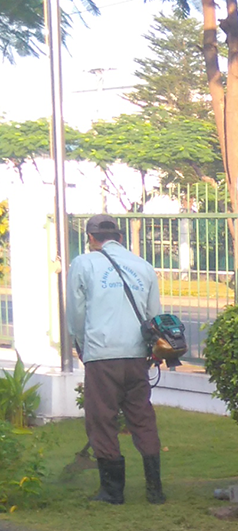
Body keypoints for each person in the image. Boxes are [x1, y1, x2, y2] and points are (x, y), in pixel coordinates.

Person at [68, 213, 166, 504]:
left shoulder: (84, 263)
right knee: (142, 417)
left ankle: (112, 491)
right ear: (120, 237)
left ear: (91, 238)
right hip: (137, 355)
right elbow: (154, 315)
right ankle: (154, 489)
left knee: (102, 419)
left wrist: (83, 346)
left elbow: (76, 312)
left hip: (102, 354)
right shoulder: (144, 266)